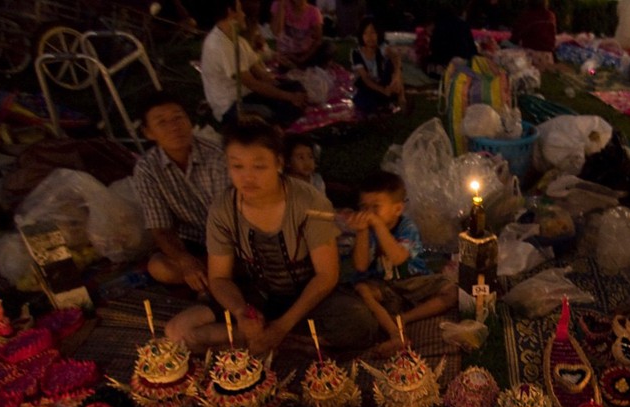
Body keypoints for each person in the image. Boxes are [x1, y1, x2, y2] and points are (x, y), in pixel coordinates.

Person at [166, 117, 376, 354]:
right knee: (177, 330)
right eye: (237, 166)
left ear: (278, 163)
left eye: (259, 166)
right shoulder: (223, 208)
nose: (247, 177)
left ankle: (261, 341)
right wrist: (241, 312)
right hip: (255, 296)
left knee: (359, 322)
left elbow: (327, 275)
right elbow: (220, 278)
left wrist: (281, 327)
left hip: (306, 299)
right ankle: (273, 341)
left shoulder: (310, 201)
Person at [342, 171, 457, 355]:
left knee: (452, 292)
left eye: (375, 207)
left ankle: (403, 318)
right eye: (364, 207)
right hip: (384, 285)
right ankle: (395, 335)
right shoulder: (367, 230)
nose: (369, 213)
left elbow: (398, 257)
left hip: (414, 280)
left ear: (397, 209)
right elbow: (360, 266)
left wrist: (378, 225)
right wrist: (362, 232)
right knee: (362, 290)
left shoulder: (407, 227)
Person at [132, 91, 230, 293]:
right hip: (195, 244)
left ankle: (219, 282)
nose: (174, 127)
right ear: (148, 132)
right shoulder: (147, 169)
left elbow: (228, 218)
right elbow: (160, 227)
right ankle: (221, 282)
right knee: (158, 267)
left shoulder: (216, 155)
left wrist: (219, 260)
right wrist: (185, 260)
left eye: (178, 118)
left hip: (231, 240)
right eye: (162, 123)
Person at [201, 0, 308, 126]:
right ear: (231, 12)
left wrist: (278, 85)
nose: (244, 15)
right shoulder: (220, 45)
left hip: (249, 95)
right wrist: (289, 97)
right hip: (231, 105)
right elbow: (253, 84)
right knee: (266, 113)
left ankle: (284, 115)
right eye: (240, 10)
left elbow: (259, 72)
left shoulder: (239, 41)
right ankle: (277, 123)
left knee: (294, 86)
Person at [351, 16, 407, 114]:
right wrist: (383, 90)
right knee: (365, 102)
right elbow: (366, 79)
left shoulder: (381, 47)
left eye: (373, 32)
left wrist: (396, 76)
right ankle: (385, 100)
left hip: (382, 82)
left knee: (393, 65)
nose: (369, 37)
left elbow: (396, 58)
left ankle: (401, 97)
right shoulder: (356, 53)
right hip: (368, 87)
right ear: (361, 36)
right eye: (365, 33)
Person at [271, 0, 334, 68]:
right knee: (284, 63)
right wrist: (281, 7)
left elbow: (318, 40)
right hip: (286, 55)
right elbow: (276, 32)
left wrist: (302, 59)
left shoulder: (313, 11)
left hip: (305, 54)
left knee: (329, 47)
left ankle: (304, 65)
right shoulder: (279, 5)